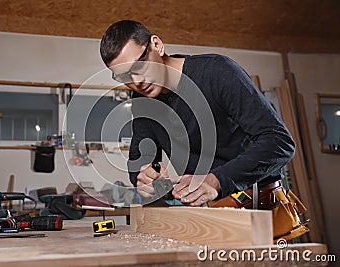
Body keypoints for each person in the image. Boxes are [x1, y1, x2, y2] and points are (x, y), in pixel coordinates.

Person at [99, 20, 295, 209]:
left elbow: (280, 142)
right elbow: (140, 158)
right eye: (125, 76)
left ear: (156, 45)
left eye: (139, 65)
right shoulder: (142, 100)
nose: (137, 81)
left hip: (258, 206)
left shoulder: (217, 71)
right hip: (206, 211)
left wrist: (217, 180)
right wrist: (143, 176)